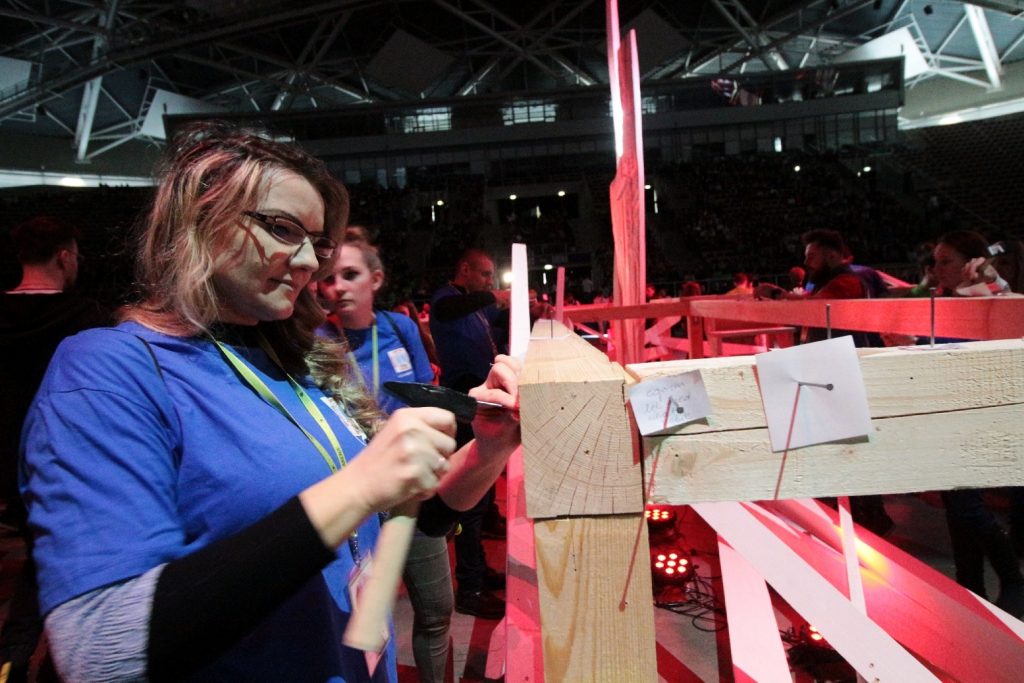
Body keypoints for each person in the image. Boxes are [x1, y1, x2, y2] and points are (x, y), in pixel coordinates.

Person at [19, 122, 522, 682]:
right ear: (200, 218)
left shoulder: (301, 359)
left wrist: (488, 448)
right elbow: (99, 650)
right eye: (283, 229)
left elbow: (407, 519)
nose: (309, 262)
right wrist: (356, 488)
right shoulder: (109, 370)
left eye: (317, 242)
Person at [317, 227, 452, 682]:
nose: (337, 287)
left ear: (375, 279)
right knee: (366, 621)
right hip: (357, 499)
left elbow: (427, 394)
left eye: (350, 275)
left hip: (411, 492)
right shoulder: (317, 339)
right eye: (328, 278)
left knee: (436, 611)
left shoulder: (400, 328)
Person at [0, 216, 108, 682]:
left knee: (37, 551)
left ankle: (15, 656)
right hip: (64, 459)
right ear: (65, 257)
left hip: (7, 462)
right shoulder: (85, 319)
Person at [921, 230, 1024, 616]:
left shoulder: (988, 294)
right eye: (935, 261)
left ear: (972, 262)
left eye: (946, 261)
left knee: (965, 507)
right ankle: (972, 589)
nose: (937, 269)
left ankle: (1011, 579)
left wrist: (990, 281)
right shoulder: (943, 301)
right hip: (950, 415)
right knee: (957, 507)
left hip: (979, 417)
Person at [429, 249, 510, 620]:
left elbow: (497, 327)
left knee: (483, 489)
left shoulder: (475, 307)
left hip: (480, 399)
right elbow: (449, 311)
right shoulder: (447, 300)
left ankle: (478, 570)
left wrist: (522, 310)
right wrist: (495, 297)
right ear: (464, 270)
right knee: (469, 502)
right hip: (463, 399)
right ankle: (470, 586)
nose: (489, 282)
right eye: (485, 274)